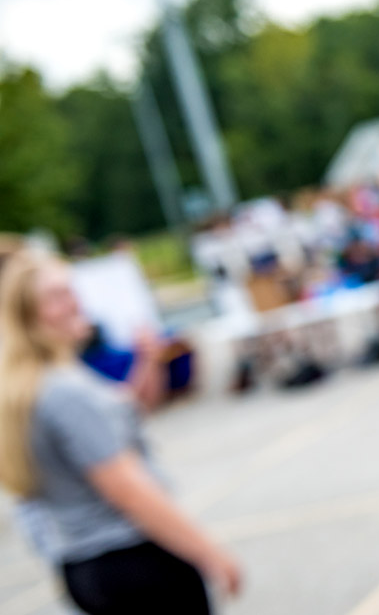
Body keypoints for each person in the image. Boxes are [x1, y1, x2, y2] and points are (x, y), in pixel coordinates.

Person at [0, 250, 241, 614]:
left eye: (71, 290)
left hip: (83, 565)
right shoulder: (66, 392)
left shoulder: (29, 386)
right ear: (27, 314)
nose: (74, 302)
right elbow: (128, 491)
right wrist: (209, 553)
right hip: (133, 561)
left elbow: (120, 415)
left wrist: (147, 361)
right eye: (57, 296)